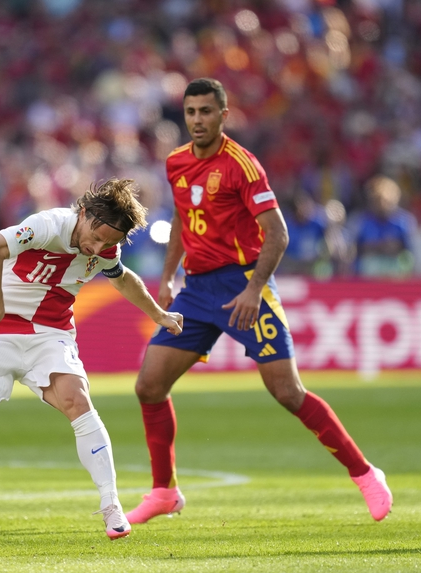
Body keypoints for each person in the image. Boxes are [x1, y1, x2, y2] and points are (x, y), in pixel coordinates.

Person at [126, 78, 393, 525]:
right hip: (195, 290)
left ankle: (366, 475)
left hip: (242, 284)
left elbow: (278, 233)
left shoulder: (242, 166)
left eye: (206, 112)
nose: (196, 120)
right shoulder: (175, 163)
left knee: (287, 392)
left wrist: (253, 291)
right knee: (149, 385)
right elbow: (180, 222)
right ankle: (163, 492)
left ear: (222, 116)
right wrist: (169, 276)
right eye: (190, 112)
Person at [0, 179, 184, 540]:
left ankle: (111, 504)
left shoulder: (104, 247)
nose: (97, 248)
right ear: (83, 213)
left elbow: (122, 278)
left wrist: (159, 314)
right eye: (96, 237)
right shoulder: (47, 225)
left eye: (108, 244)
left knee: (78, 401)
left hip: (50, 336)